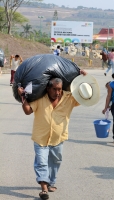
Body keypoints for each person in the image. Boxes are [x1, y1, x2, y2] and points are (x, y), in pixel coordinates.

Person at [17, 70, 88, 200]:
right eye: (54, 89)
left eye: (59, 89)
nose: (57, 92)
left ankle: (52, 181)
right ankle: (44, 189)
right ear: (48, 88)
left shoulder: (69, 98)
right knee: (41, 163)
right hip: (41, 137)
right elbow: (27, 111)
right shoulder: (40, 98)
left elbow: (85, 96)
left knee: (56, 161)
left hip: (58, 138)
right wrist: (23, 97)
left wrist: (84, 78)